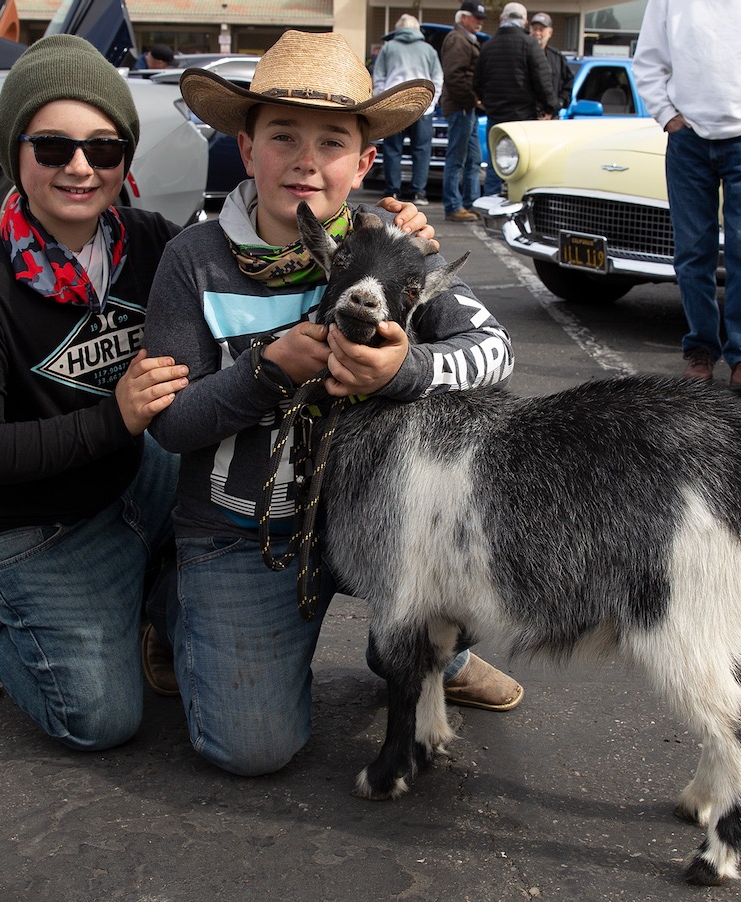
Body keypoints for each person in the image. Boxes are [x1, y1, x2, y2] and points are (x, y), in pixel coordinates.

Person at [0, 34, 434, 752]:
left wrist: (392, 232)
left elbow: (281, 226)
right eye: (52, 147)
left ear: (125, 160)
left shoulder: (153, 244)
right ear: (15, 154)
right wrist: (115, 418)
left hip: (143, 486)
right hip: (40, 525)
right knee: (97, 719)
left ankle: (424, 652)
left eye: (102, 150)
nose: (78, 167)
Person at [142, 30, 524, 778]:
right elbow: (173, 424)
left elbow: (498, 352)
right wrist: (266, 369)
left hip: (371, 518)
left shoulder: (393, 242)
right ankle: (172, 605)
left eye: (332, 141)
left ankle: (437, 654)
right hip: (244, 532)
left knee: (479, 538)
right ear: (246, 149)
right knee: (251, 749)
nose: (306, 160)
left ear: (364, 161)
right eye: (282, 135)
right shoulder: (194, 258)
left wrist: (402, 371)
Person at [632, 0, 741, 396]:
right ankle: (701, 352)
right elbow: (649, 60)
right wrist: (667, 115)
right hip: (687, 139)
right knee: (693, 252)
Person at [473, 2, 556, 197]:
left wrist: (487, 102)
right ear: (525, 22)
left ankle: (491, 204)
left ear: (503, 19)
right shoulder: (530, 45)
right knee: (522, 166)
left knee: (495, 164)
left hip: (495, 115)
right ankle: (518, 205)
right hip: (523, 118)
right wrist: (550, 107)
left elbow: (477, 82)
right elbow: (543, 80)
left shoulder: (488, 46)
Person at [372, 13, 443, 206]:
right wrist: (431, 101)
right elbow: (437, 78)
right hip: (422, 106)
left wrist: (383, 99)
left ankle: (392, 190)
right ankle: (418, 192)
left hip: (394, 105)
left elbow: (378, 77)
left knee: (392, 150)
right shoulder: (428, 50)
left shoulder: (389, 48)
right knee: (421, 150)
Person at [440, 0, 487, 222]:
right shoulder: (458, 39)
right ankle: (453, 206)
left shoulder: (464, 39)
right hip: (462, 107)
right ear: (463, 17)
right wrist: (472, 100)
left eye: (481, 19)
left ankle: (469, 203)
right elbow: (454, 76)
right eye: (476, 18)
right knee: (457, 158)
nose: (479, 22)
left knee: (474, 159)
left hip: (466, 107)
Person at [529, 13, 574, 115]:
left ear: (550, 32)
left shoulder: (557, 58)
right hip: (527, 117)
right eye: (534, 29)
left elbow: (568, 84)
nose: (537, 33)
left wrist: (558, 104)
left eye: (541, 30)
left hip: (551, 118)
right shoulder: (522, 54)